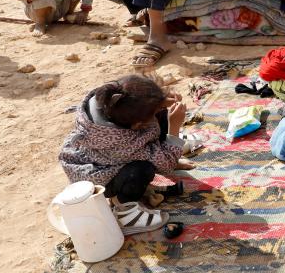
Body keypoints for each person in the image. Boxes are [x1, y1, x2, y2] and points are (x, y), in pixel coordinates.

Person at [58, 75, 195, 235]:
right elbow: (166, 167)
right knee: (142, 170)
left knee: (163, 115)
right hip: (102, 178)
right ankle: (125, 212)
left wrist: (159, 102)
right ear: (137, 125)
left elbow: (139, 105)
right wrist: (175, 129)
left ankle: (163, 152)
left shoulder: (111, 104)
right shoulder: (120, 143)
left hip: (112, 154)